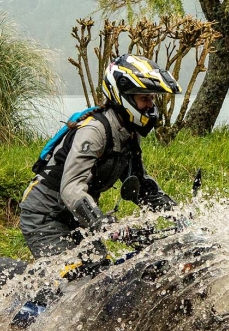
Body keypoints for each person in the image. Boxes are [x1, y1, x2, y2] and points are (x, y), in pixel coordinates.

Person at [19, 54, 180, 260]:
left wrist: (178, 215)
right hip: (46, 216)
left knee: (103, 273)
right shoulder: (95, 131)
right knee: (76, 276)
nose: (150, 105)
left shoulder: (129, 133)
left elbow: (141, 184)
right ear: (123, 97)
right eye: (144, 99)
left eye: (151, 99)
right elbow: (71, 189)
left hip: (77, 217)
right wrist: (103, 224)